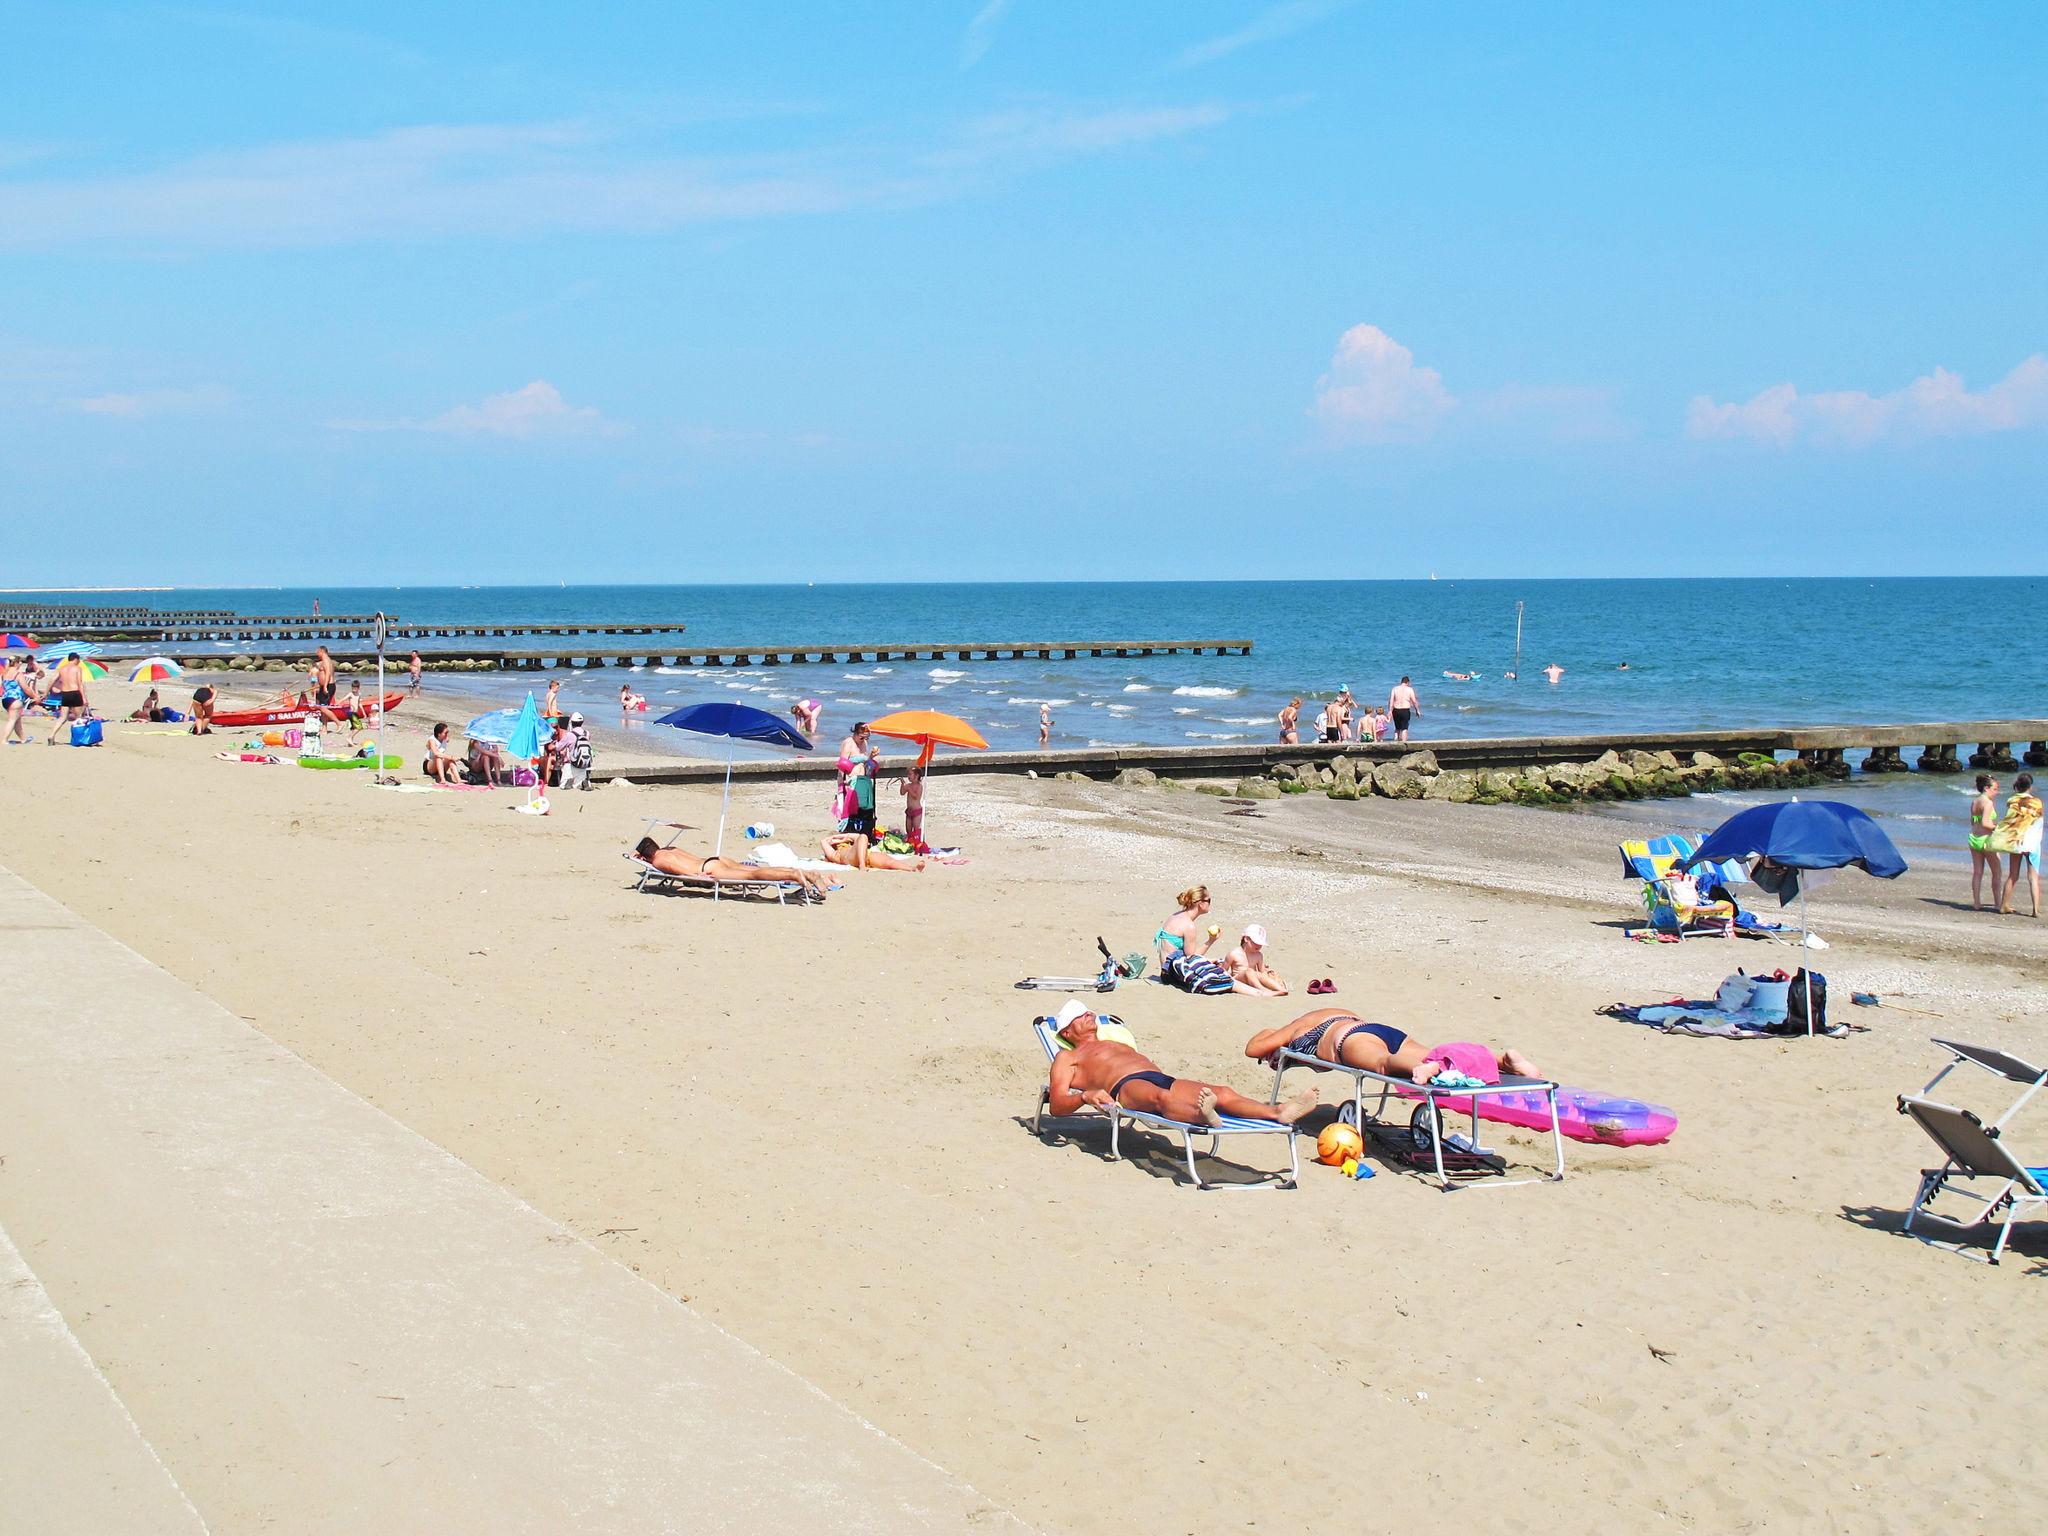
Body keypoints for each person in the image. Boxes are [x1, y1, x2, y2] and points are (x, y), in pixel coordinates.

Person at [1049, 1010, 1316, 1129]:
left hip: (1158, 1076)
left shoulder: (1112, 1040)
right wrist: (1085, 1096)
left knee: (1221, 1092)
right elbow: (1057, 1105)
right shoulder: (1067, 1057)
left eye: (1088, 1012)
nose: (1089, 1014)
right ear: (1067, 1031)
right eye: (1080, 1015)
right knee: (1160, 1099)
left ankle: (1278, 1112)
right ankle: (1201, 1117)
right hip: (1124, 1086)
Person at [1244, 1007, 1540, 1084]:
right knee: (1432, 1051)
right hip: (1377, 1029)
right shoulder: (1324, 1012)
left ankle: (1431, 1068)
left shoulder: (1295, 1028)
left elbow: (1252, 1048)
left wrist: (1274, 1041)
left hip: (1348, 1040)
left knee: (1384, 1065)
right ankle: (1502, 1061)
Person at [633, 837, 834, 898]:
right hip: (712, 859)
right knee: (748, 871)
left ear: (645, 856)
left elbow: (679, 870)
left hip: (709, 869)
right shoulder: (671, 848)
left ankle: (794, 874)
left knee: (754, 875)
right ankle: (809, 874)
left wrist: (698, 877)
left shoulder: (659, 859)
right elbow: (684, 859)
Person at [1992, 771, 2042, 919]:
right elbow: (2038, 822)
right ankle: (2035, 910)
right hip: (2032, 843)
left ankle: (2004, 905)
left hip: (2017, 840)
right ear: (2030, 787)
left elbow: (2010, 821)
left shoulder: (2011, 801)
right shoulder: (2037, 802)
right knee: (2033, 877)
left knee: (2013, 875)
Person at [1969, 773, 2006, 912]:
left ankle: (1977, 902)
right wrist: (1999, 828)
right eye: (1995, 789)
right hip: (1986, 840)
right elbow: (1985, 823)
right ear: (1986, 788)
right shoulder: (1988, 802)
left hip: (1974, 838)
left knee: (1977, 872)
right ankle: (1997, 903)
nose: (1996, 792)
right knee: (1997, 872)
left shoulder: (1975, 801)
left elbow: (1973, 821)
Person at [835, 722, 879, 836]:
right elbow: (842, 763)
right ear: (856, 733)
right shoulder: (848, 743)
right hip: (849, 779)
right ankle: (846, 830)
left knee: (861, 807)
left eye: (867, 737)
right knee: (847, 808)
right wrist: (843, 781)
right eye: (862, 737)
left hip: (861, 779)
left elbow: (865, 761)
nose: (864, 739)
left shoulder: (864, 743)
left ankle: (860, 830)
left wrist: (871, 757)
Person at [1222, 924, 1288, 996]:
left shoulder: (1258, 955)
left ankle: (1281, 989)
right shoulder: (1234, 954)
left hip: (1253, 979)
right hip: (1238, 980)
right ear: (1246, 939)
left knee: (1259, 973)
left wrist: (1268, 975)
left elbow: (1262, 972)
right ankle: (1263, 990)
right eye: (1256, 942)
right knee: (1249, 971)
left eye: (1261, 944)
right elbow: (1223, 971)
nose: (1259, 946)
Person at [821, 831, 925, 872]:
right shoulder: (834, 854)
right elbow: (823, 841)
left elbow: (855, 837)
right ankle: (862, 865)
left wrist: (844, 837)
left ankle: (913, 869)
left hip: (867, 855)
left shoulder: (851, 846)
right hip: (851, 858)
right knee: (863, 836)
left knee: (889, 862)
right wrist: (836, 838)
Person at [45, 652, 87, 744]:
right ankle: (78, 738)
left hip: (65, 694)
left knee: (62, 717)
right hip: (75, 692)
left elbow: (52, 680)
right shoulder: (77, 668)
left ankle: (51, 735)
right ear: (76, 659)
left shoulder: (61, 669)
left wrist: (46, 692)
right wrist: (84, 698)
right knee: (78, 717)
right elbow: (80, 684)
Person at [899, 761, 926, 850]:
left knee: (916, 828)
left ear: (917, 775)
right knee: (908, 828)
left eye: (910, 774)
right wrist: (903, 785)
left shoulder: (919, 786)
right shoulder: (909, 785)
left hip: (917, 810)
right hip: (909, 810)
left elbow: (916, 797)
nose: (908, 776)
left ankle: (918, 842)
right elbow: (902, 793)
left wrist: (909, 789)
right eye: (908, 774)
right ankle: (910, 842)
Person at [2, 657, 28, 743]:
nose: (21, 663)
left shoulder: (4, 673)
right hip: (15, 699)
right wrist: (35, 696)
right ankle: (4, 740)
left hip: (6, 699)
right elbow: (25, 688)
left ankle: (23, 739)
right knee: (12, 720)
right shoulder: (18, 674)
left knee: (17, 720)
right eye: (20, 662)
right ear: (16, 663)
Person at [1387, 676, 1420, 742]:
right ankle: (1404, 743)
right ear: (1408, 682)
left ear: (1401, 682)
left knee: (1397, 728)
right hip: (1405, 710)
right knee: (1404, 728)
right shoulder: (1410, 689)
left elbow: (1391, 700)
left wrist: (1390, 711)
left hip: (1396, 710)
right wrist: (1417, 710)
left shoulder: (1394, 689)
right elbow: (1414, 701)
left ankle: (1395, 742)